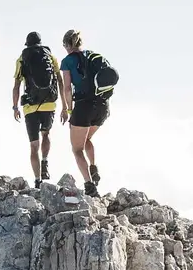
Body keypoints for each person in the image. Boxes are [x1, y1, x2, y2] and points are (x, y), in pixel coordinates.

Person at [59, 28, 120, 196]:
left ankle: (89, 186)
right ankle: (93, 167)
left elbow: (67, 89)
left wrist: (69, 109)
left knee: (77, 149)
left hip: (83, 106)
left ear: (67, 45)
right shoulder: (94, 56)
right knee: (86, 139)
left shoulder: (67, 61)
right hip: (102, 107)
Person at [10, 31, 65, 183]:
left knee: (34, 146)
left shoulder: (22, 59)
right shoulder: (50, 56)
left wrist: (15, 107)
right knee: (46, 134)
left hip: (30, 107)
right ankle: (45, 161)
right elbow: (60, 81)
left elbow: (16, 86)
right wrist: (65, 106)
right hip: (49, 104)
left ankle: (37, 180)